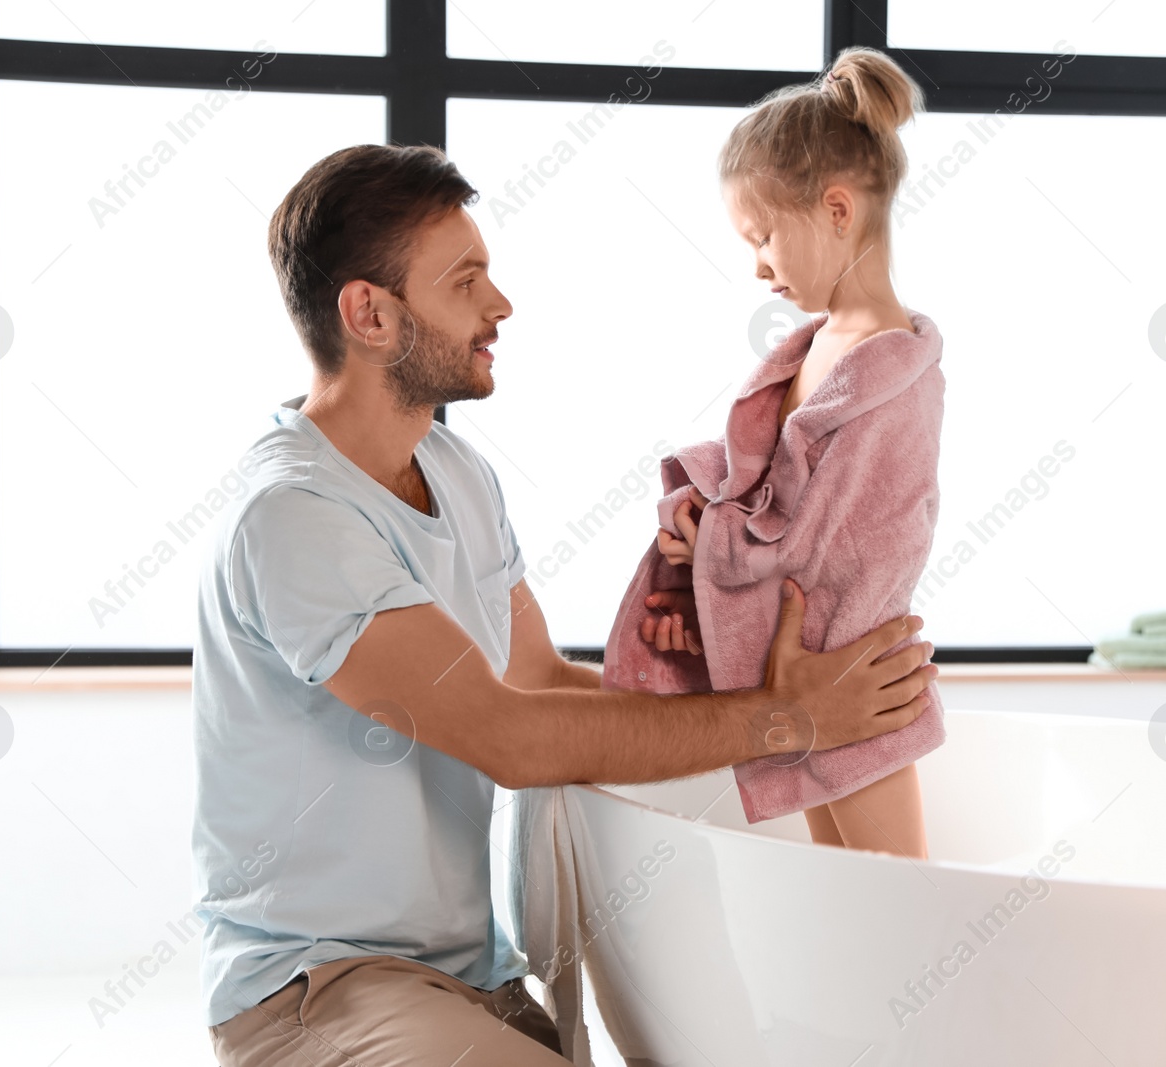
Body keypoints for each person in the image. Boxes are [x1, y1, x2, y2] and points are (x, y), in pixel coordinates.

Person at [191, 141, 937, 1066]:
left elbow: (537, 677)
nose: (499, 306)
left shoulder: (452, 470)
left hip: (468, 976)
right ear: (369, 312)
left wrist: (729, 674)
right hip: (319, 988)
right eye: (466, 282)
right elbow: (513, 738)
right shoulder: (295, 515)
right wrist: (786, 719)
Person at [609, 46, 944, 857]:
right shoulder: (816, 344)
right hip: (811, 681)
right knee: (844, 897)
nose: (757, 266)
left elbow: (834, 544)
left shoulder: (891, 367)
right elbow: (767, 495)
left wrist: (713, 544)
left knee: (903, 911)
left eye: (763, 237)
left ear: (837, 210)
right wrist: (703, 520)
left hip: (855, 686)